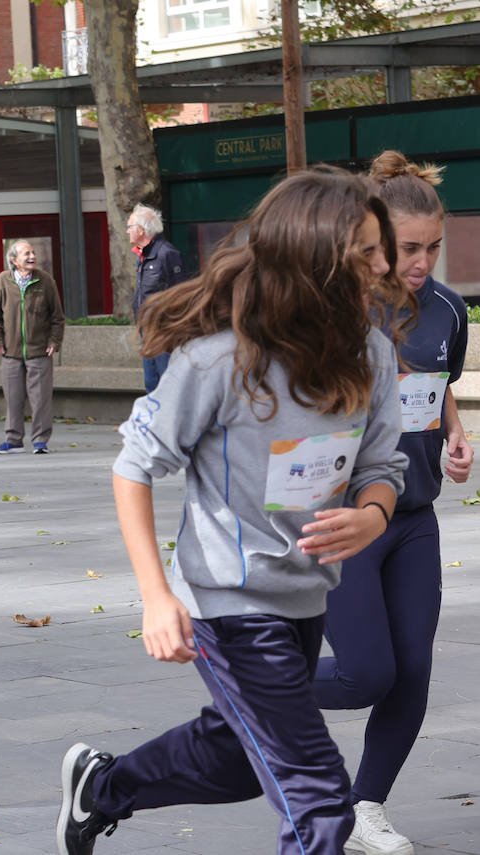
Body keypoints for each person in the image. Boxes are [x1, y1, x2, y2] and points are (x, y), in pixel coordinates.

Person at [57, 169, 411, 854]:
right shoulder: (220, 361)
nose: (386, 265)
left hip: (306, 593)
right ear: (313, 261)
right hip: (229, 602)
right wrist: (157, 596)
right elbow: (133, 467)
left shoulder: (370, 351)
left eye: (381, 248)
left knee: (234, 757)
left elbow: (380, 467)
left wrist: (372, 514)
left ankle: (101, 787)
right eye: (366, 251)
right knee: (318, 801)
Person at [312, 151, 472, 855]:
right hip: (342, 520)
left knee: (411, 673)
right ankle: (249, 683)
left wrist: (458, 439)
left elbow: (441, 394)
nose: (422, 260)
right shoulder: (337, 308)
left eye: (434, 246)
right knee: (362, 672)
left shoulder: (445, 308)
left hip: (413, 520)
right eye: (410, 247)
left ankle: (361, 811)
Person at [0, 240, 65, 454]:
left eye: (33, 252)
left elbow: (57, 317)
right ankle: (13, 441)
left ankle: (40, 441)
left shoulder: (45, 281)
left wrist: (54, 341)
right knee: (13, 399)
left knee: (40, 399)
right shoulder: (1, 282)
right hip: (10, 353)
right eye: (26, 253)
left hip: (39, 351)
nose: (32, 256)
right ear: (14, 260)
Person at [127, 203, 187, 393]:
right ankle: (155, 422)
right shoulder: (143, 256)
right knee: (151, 382)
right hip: (147, 330)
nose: (127, 231)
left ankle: (172, 422)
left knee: (166, 381)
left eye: (130, 227)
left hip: (163, 331)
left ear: (141, 230)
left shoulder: (167, 254)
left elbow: (181, 293)